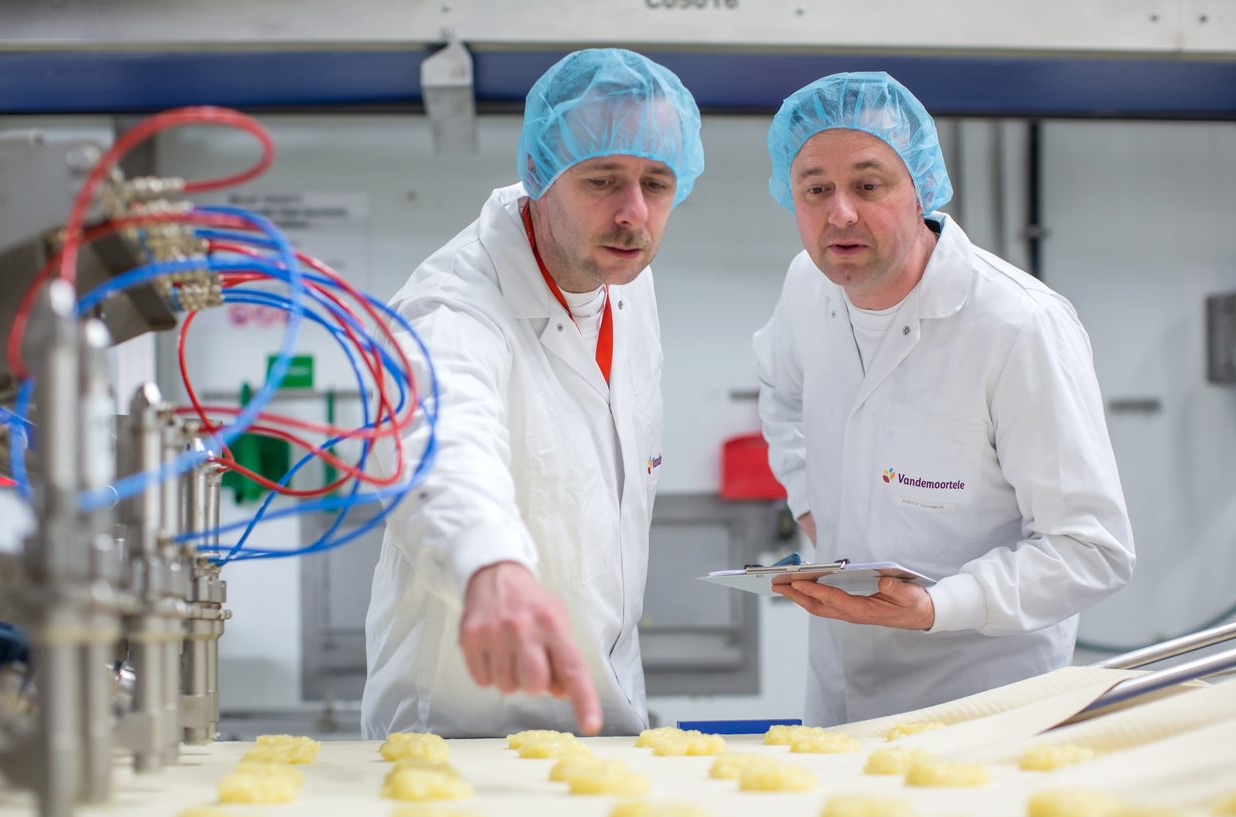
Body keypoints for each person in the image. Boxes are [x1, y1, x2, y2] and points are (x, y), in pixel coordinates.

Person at [753, 71, 1135, 725]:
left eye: (869, 185)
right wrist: (813, 504)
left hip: (987, 705)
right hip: (841, 692)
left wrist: (939, 605)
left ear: (921, 187)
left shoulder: (1018, 326)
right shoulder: (807, 288)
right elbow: (782, 394)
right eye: (815, 189)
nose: (838, 212)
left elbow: (1092, 549)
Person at [361, 49, 704, 738]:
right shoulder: (453, 306)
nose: (633, 213)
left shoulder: (626, 286)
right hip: (462, 736)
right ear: (540, 174)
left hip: (605, 722)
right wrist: (490, 564)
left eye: (657, 182)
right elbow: (443, 440)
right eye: (602, 179)